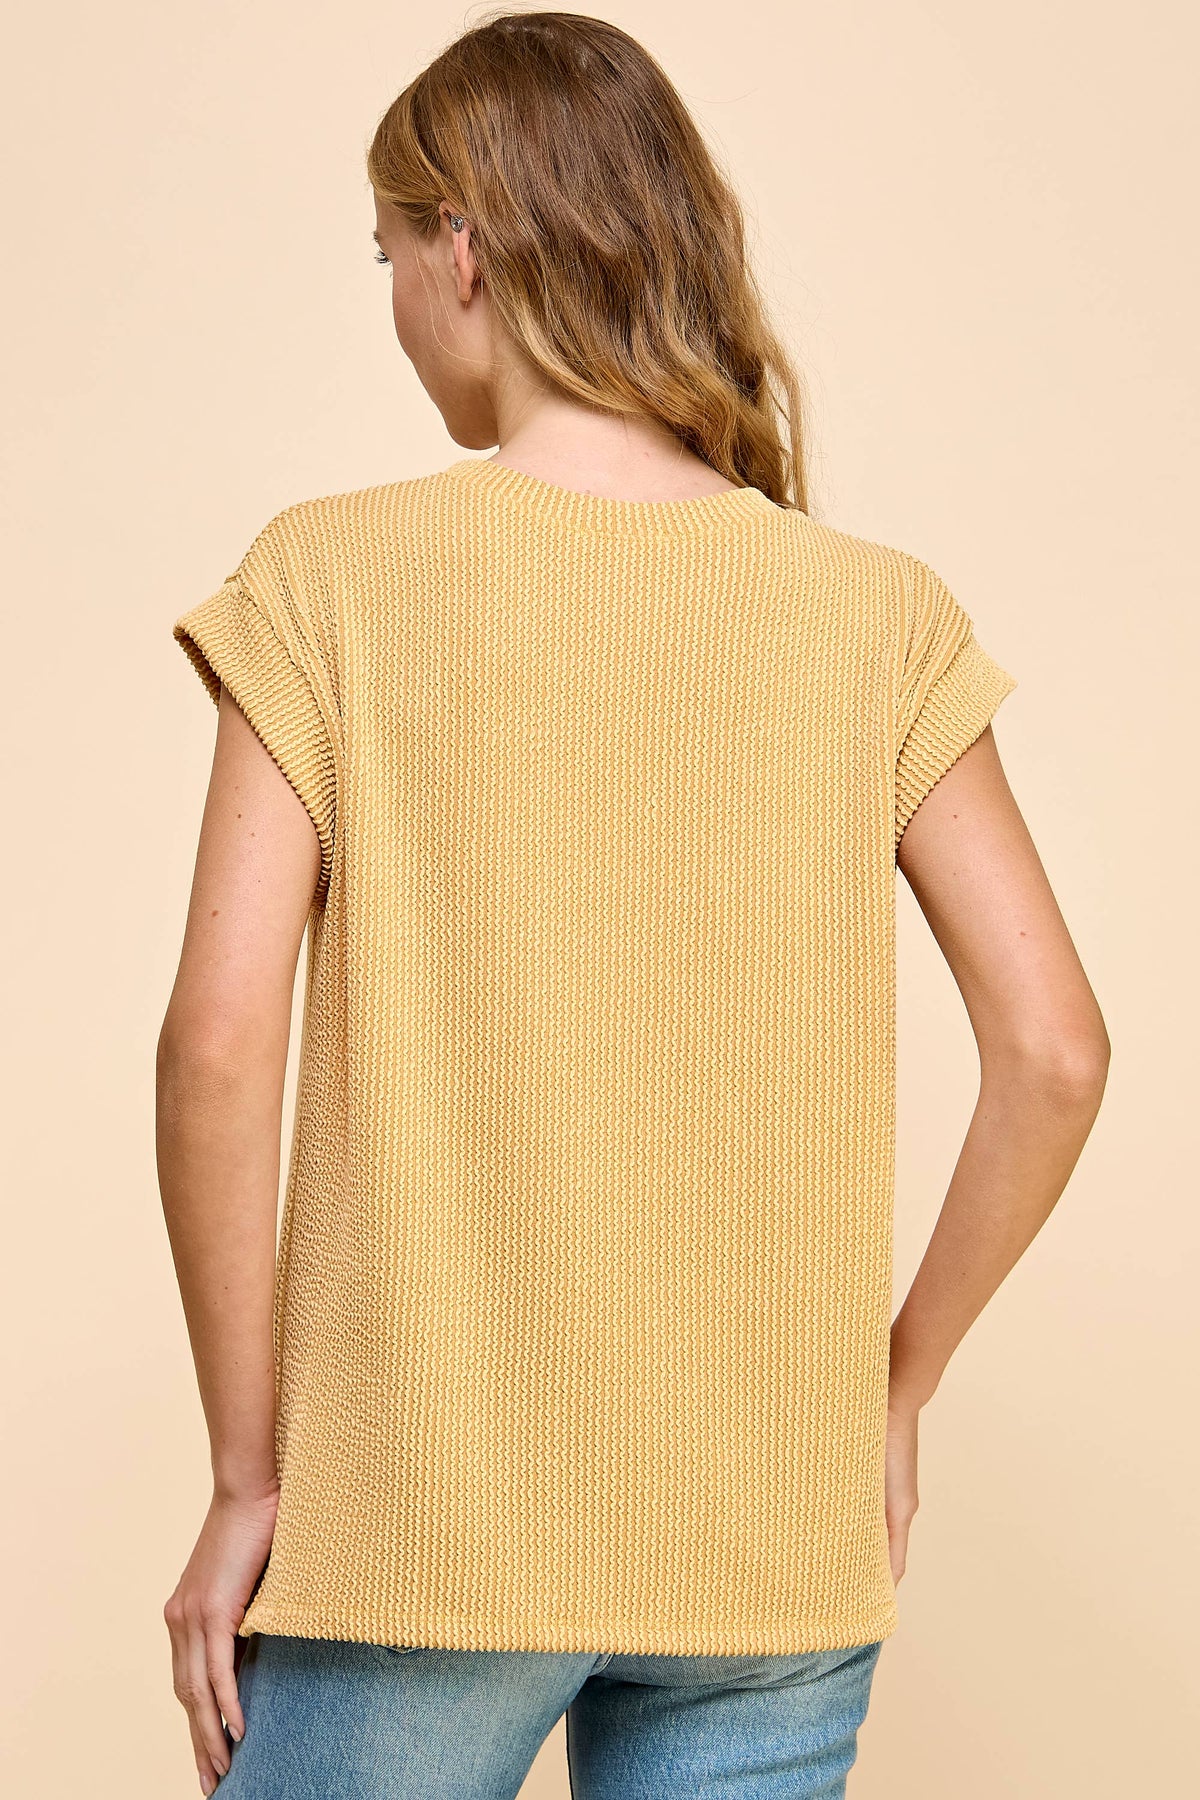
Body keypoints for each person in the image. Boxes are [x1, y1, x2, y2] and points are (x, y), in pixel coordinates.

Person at [155, 12, 1110, 1798]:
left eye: (387, 252)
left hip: (428, 1536)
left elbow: (217, 1045)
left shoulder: (329, 580)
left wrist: (243, 1480)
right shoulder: (877, 615)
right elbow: (1057, 1052)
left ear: (464, 246)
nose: (393, 301)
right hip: (773, 1545)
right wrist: (892, 1392)